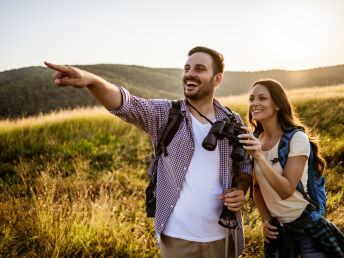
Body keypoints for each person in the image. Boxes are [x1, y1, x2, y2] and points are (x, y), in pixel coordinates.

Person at [44, 46, 253, 258]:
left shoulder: (232, 119)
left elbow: (244, 165)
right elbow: (126, 104)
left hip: (224, 235)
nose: (189, 74)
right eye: (187, 68)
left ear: (217, 79)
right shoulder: (165, 115)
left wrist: (240, 189)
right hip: (178, 239)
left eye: (199, 69)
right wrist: (93, 81)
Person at [238, 79, 344, 257]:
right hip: (279, 231)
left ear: (278, 104)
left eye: (262, 98)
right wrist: (265, 221)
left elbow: (286, 190)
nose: (254, 103)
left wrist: (258, 156)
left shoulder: (297, 138)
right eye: (251, 99)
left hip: (307, 225)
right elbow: (257, 188)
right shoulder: (255, 139)